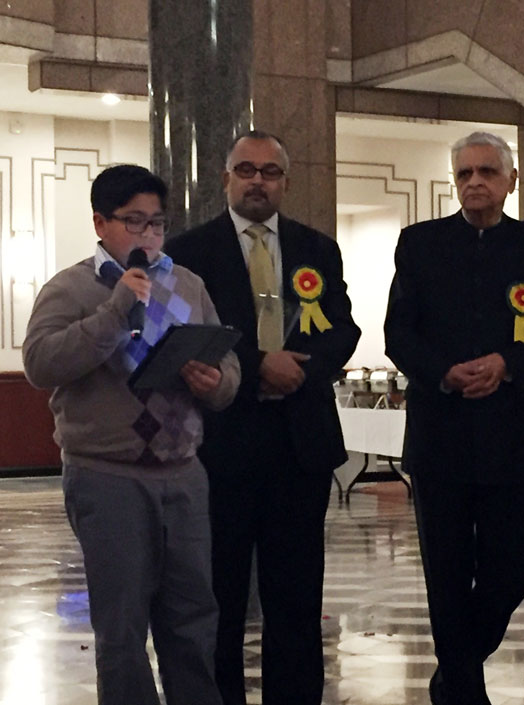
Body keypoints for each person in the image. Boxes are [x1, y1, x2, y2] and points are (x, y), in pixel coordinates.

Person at [23, 164, 240, 705]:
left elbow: (227, 363)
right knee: (121, 630)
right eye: (133, 223)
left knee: (193, 620)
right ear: (101, 222)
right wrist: (116, 310)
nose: (147, 236)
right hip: (108, 475)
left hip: (183, 474)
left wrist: (216, 382)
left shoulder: (186, 283)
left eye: (156, 224)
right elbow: (40, 363)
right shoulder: (71, 287)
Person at [384, 132, 524, 705]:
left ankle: (453, 676)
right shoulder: (419, 244)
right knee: (445, 577)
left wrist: (509, 362)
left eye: (487, 172)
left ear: (510, 181)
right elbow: (398, 332)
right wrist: (446, 372)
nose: (475, 181)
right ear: (455, 182)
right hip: (439, 436)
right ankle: (465, 695)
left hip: (507, 434)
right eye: (466, 173)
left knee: (514, 566)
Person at [165, 130, 360, 705]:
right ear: (225, 179)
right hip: (221, 446)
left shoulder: (317, 249)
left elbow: (343, 328)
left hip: (300, 446)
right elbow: (185, 340)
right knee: (218, 595)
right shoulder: (190, 251)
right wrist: (256, 367)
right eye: (246, 170)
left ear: (285, 182)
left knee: (297, 598)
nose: (257, 181)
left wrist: (302, 367)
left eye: (270, 172)